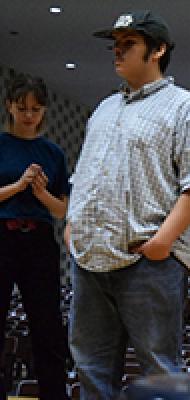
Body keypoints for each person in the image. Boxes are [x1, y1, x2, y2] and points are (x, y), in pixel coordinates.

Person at [65, 10, 190, 399]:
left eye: (128, 43)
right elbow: (83, 177)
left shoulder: (186, 107)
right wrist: (71, 225)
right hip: (90, 257)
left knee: (159, 370)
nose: (117, 50)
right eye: (115, 43)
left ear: (158, 49)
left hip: (149, 261)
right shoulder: (102, 109)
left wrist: (162, 244)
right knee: (89, 367)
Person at [0, 74, 69, 400]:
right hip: (3, 236)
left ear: (44, 111)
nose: (29, 115)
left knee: (47, 327)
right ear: (9, 107)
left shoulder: (52, 153)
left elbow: (61, 211)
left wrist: (40, 192)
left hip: (40, 239)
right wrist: (18, 186)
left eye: (36, 108)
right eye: (22, 108)